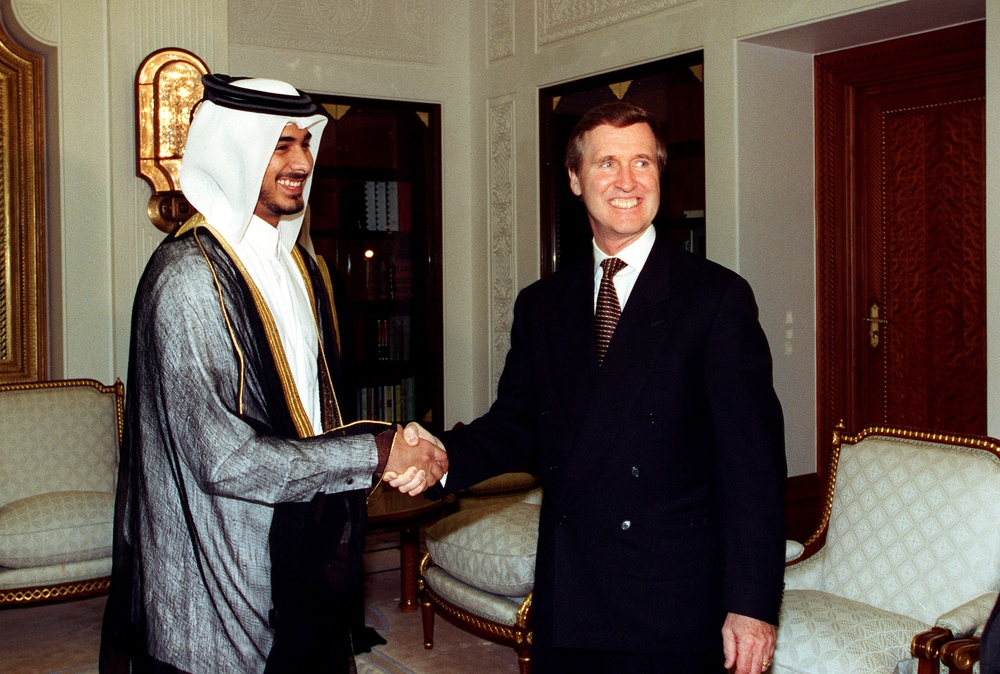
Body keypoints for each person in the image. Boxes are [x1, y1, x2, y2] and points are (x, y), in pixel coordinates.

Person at [100, 75, 446, 674]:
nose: (301, 162)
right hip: (224, 555)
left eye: (306, 144)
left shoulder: (302, 269)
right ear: (235, 151)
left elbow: (317, 415)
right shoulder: (185, 280)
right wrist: (376, 452)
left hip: (303, 533)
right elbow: (223, 458)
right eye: (279, 145)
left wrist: (391, 445)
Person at [430, 101, 786, 674]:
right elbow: (519, 424)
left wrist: (751, 606)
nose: (627, 182)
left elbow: (753, 468)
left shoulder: (716, 299)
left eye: (642, 162)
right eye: (607, 164)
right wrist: (439, 457)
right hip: (569, 592)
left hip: (670, 600)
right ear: (575, 180)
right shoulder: (541, 304)